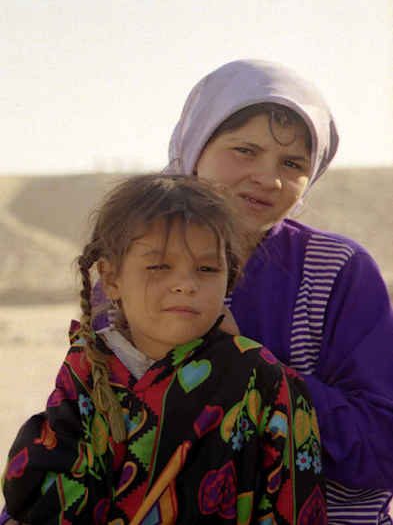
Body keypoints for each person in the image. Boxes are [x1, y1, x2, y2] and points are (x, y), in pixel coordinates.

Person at [2, 174, 327, 524]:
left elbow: (294, 501)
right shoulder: (88, 368)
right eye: (159, 266)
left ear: (228, 277)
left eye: (206, 268)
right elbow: (44, 493)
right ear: (112, 280)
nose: (186, 285)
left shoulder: (260, 377)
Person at [165, 59, 393, 524]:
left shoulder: (339, 273)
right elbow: (92, 421)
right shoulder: (137, 264)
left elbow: (382, 449)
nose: (268, 179)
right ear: (195, 144)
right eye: (245, 150)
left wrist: (249, 366)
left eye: (293, 164)